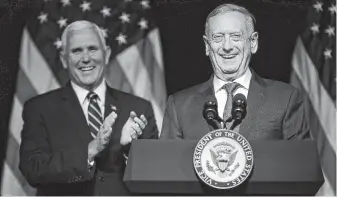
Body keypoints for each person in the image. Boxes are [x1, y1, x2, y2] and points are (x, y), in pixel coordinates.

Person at [19, 20, 159, 196]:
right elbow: (33, 169)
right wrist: (91, 150)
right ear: (64, 59)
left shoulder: (139, 108)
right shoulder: (39, 108)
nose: (86, 58)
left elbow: (155, 176)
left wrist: (130, 150)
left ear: (106, 54)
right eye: (77, 51)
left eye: (92, 49)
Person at [160, 4, 310, 140]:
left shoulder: (285, 98)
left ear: (253, 42)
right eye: (218, 37)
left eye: (235, 36)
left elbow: (299, 165)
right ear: (207, 45)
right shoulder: (179, 106)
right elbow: (164, 164)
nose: (227, 46)